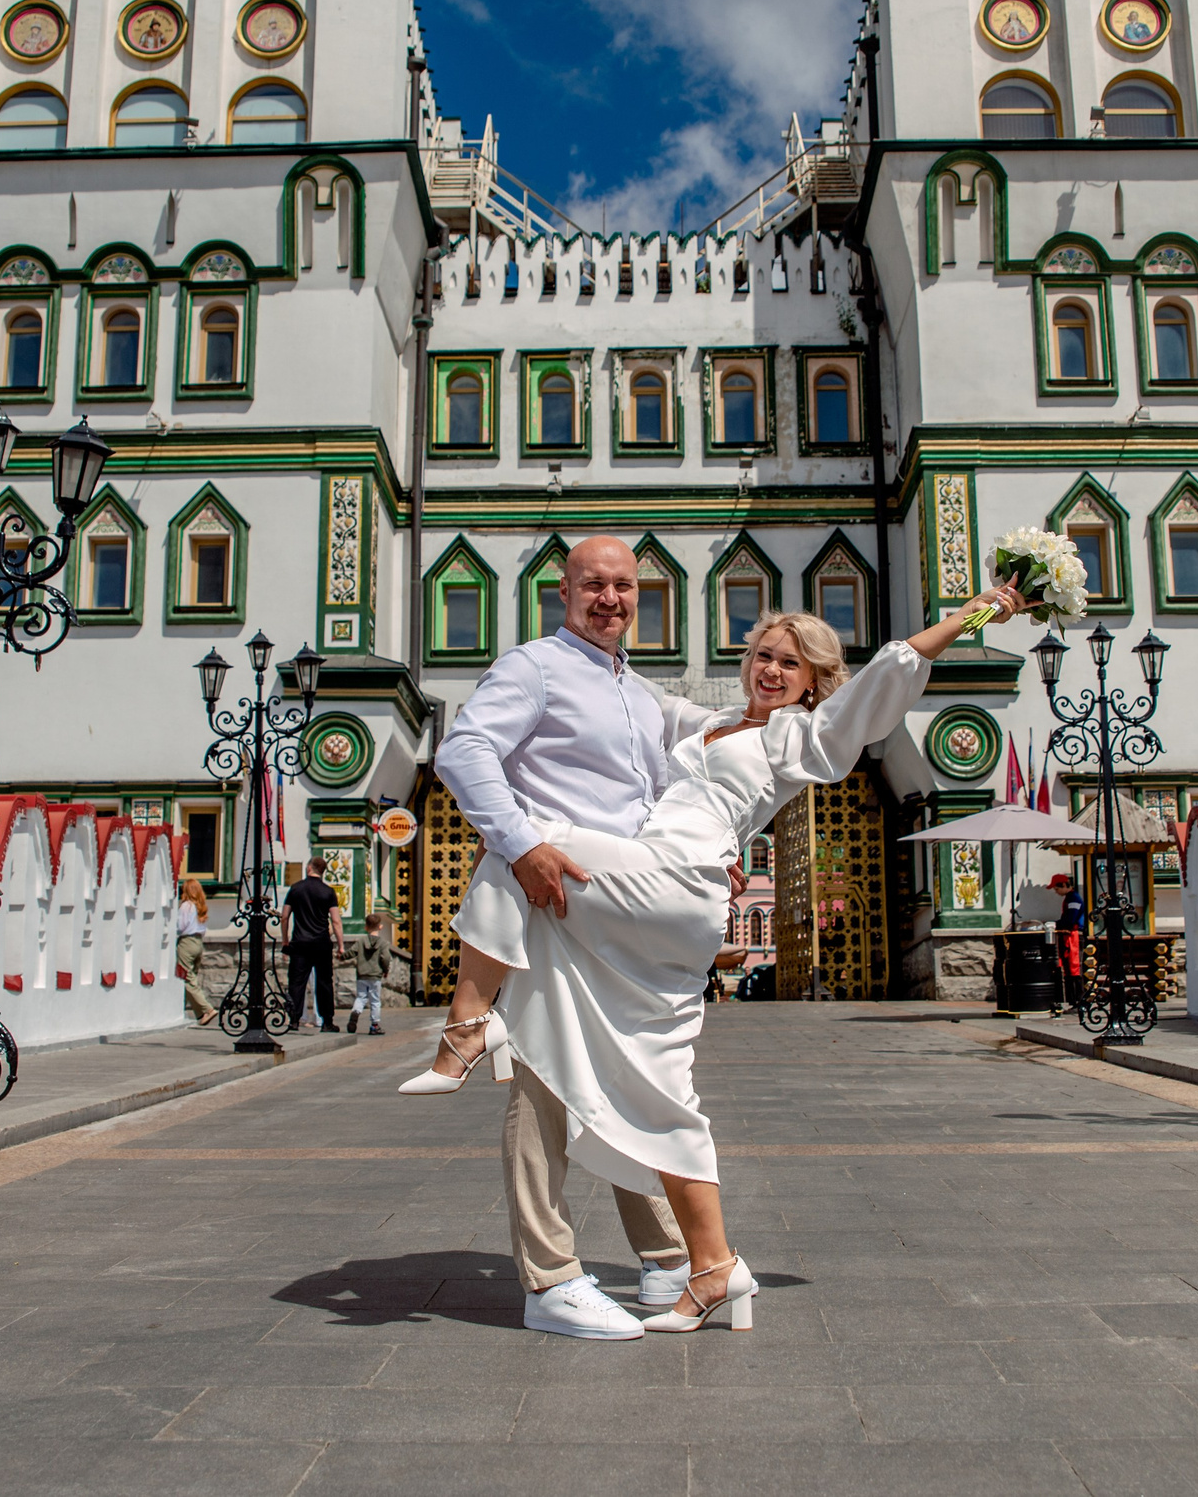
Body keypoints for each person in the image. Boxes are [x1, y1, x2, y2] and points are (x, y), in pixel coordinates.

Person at [439, 573, 1025, 1336]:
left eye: (791, 664)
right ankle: (705, 1264)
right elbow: (624, 705)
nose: (770, 670)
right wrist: (591, 635)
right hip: (650, 885)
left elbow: (889, 669)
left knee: (522, 844)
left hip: (669, 888)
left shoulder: (801, 736)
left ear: (815, 684)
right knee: (646, 1078)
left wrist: (978, 612)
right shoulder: (707, 721)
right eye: (763, 654)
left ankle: (469, 1021)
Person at [421, 536, 707, 1342]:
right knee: (546, 1082)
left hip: (619, 913)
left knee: (626, 1079)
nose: (609, 598)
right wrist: (521, 844)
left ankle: (666, 1258)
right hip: (554, 902)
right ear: (565, 591)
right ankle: (549, 1279)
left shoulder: (639, 692)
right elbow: (464, 749)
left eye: (623, 585)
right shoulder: (535, 666)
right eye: (593, 584)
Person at [280, 857, 342, 1034]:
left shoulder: (295, 889)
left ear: (309, 868)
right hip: (321, 942)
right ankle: (327, 1021)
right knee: (324, 982)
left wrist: (285, 940)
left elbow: (284, 917)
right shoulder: (328, 892)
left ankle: (293, 1020)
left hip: (300, 942)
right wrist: (341, 944)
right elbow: (336, 921)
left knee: (297, 982)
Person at [176, 878, 216, 1027]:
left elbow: (180, 926)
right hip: (198, 942)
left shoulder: (186, 906)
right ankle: (201, 1013)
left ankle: (207, 1009)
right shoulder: (201, 906)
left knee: (186, 978)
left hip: (187, 942)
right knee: (192, 977)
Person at [350, 913, 394, 1035]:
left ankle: (356, 1011)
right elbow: (385, 958)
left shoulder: (361, 941)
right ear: (380, 927)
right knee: (375, 1000)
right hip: (375, 976)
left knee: (361, 997)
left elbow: (352, 952)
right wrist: (385, 970)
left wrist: (341, 956)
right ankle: (374, 1025)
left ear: (366, 927)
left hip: (362, 975)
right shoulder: (383, 943)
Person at [1049, 874, 1086, 1011]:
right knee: (1070, 969)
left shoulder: (1073, 899)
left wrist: (1055, 924)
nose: (1056, 891)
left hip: (1073, 936)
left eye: (1056, 888)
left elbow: (1070, 919)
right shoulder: (1069, 898)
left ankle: (1078, 1000)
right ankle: (1073, 1000)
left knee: (1074, 969)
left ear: (1064, 885)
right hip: (1069, 936)